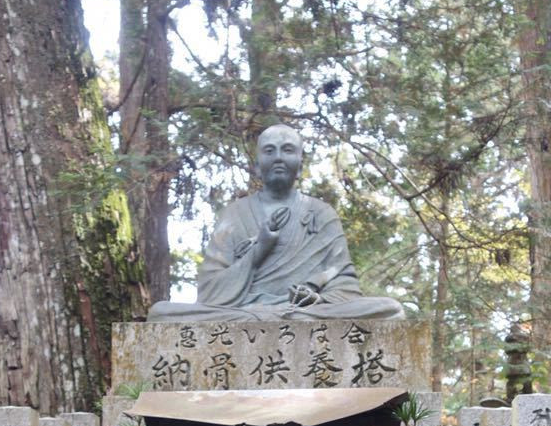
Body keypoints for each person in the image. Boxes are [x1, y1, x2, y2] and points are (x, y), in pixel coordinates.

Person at [146, 124, 404, 322]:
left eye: (288, 150)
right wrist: (258, 252)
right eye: (270, 151)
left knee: (391, 311)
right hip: (244, 313)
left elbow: (345, 285)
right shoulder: (234, 215)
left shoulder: (322, 213)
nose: (279, 157)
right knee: (161, 314)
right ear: (258, 164)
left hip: (302, 314)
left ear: (300, 162)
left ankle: (285, 319)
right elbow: (210, 293)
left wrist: (318, 298)